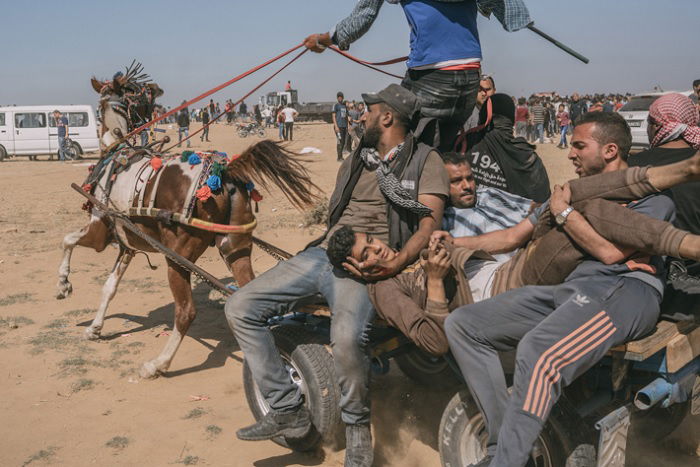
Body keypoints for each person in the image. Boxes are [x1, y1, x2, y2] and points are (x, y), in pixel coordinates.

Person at [442, 111, 691, 467]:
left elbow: (610, 253)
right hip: (576, 288)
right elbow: (513, 236)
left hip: (624, 289)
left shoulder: (654, 200)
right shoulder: (572, 194)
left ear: (609, 150)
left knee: (539, 354)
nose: (570, 153)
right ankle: (503, 446)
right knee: (464, 325)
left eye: (578, 145)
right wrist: (456, 242)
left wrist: (563, 214)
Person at [225, 84, 448, 467]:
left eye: (369, 110)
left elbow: (428, 224)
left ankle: (357, 428)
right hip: (325, 255)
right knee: (239, 305)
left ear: (387, 117)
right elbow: (336, 215)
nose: (362, 116)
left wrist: (394, 264)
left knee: (346, 340)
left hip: (368, 266)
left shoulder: (425, 161)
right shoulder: (356, 160)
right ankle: (286, 409)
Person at [329, 147, 700, 356]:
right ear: (354, 267)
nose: (378, 251)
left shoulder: (408, 248)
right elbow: (436, 341)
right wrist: (437, 282)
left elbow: (508, 237)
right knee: (578, 209)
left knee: (571, 193)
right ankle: (687, 242)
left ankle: (683, 170)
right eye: (367, 256)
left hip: (519, 257)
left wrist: (450, 246)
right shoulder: (386, 289)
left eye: (373, 243)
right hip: (509, 288)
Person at [302, 0, 532, 152]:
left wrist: (323, 39)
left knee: (390, 144)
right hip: (471, 74)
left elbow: (361, 18)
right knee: (445, 149)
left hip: (432, 75)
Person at [466, 94, 550, 202]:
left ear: (484, 116)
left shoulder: (467, 144)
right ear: (511, 118)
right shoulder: (528, 158)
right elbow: (542, 201)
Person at [333, 92, 349, 161]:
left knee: (343, 142)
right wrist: (336, 126)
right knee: (340, 141)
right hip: (338, 126)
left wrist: (348, 126)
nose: (340, 98)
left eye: (341, 97)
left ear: (343, 98)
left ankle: (341, 156)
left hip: (344, 126)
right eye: (339, 97)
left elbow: (346, 116)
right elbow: (333, 116)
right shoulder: (336, 106)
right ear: (337, 98)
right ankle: (339, 157)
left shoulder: (344, 106)